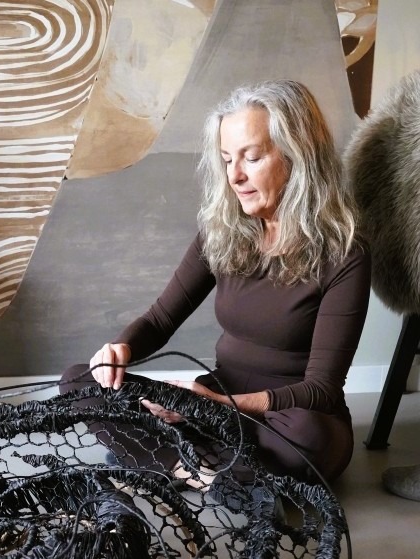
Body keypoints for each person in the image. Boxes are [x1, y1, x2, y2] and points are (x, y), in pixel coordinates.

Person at [60, 79, 371, 484]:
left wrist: (216, 404)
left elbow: (321, 389)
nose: (235, 176)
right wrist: (121, 349)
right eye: (227, 160)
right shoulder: (222, 233)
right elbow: (159, 321)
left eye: (252, 157)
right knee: (79, 381)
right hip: (213, 404)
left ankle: (176, 459)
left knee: (309, 435)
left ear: (298, 156)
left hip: (283, 417)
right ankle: (204, 470)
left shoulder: (346, 253)